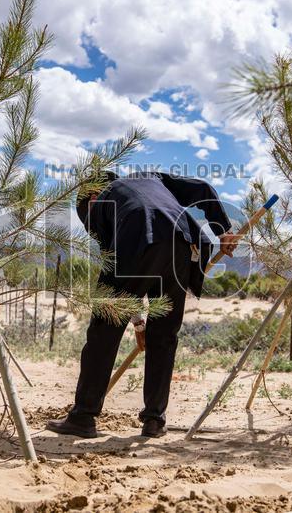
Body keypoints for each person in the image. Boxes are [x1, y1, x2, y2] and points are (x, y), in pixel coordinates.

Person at [47, 171, 237, 438]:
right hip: (183, 246)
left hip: (139, 235)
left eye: (84, 213)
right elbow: (202, 188)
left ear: (92, 194)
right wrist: (225, 230)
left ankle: (83, 417)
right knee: (164, 335)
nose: (89, 223)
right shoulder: (149, 177)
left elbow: (122, 269)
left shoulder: (105, 201)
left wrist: (129, 317)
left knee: (104, 328)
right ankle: (154, 420)